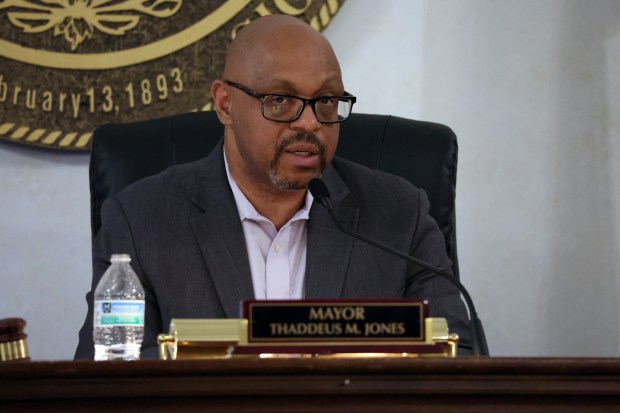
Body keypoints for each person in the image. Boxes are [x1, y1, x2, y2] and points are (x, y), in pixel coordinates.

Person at [75, 14, 472, 358]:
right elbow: (109, 372)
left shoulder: (399, 216)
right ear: (225, 104)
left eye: (327, 101)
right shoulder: (141, 220)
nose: (310, 122)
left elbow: (456, 359)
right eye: (280, 100)